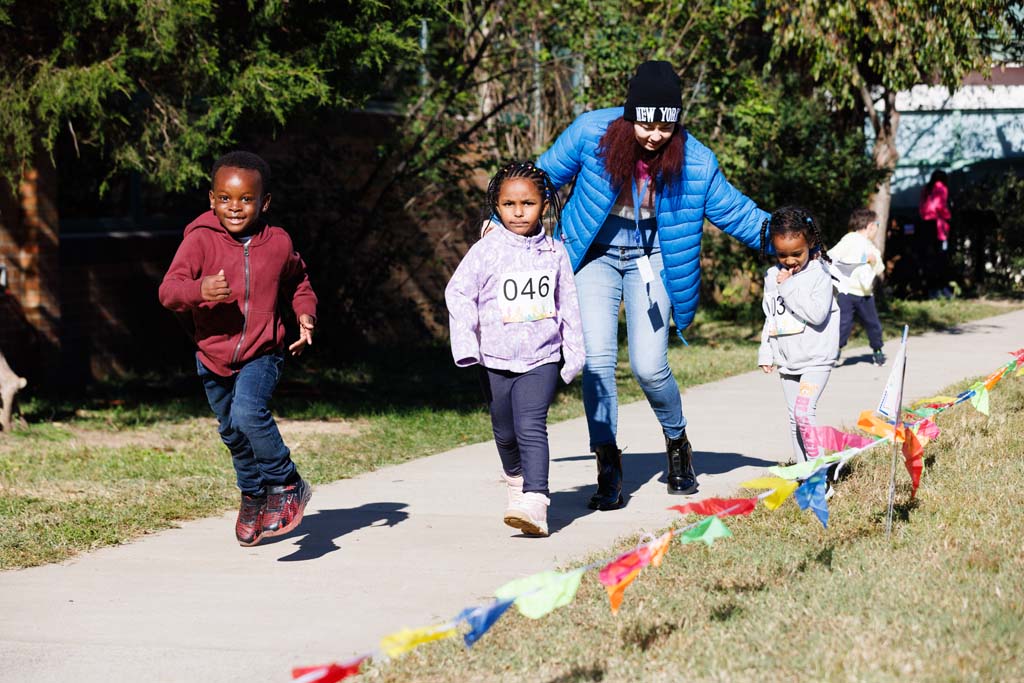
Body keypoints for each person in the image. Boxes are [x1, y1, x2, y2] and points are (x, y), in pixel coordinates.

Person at [536, 60, 768, 509]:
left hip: (652, 259)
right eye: (645, 122)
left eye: (665, 125)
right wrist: (495, 217)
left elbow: (738, 214)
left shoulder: (696, 161)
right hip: (595, 256)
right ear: (629, 113)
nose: (653, 135)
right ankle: (607, 464)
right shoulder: (590, 133)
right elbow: (541, 177)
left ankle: (677, 442)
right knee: (598, 362)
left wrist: (789, 236)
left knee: (648, 365)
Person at [158, 151, 318, 547]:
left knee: (249, 412)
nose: (235, 207)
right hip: (212, 356)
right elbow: (168, 291)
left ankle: (286, 483)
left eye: (246, 199)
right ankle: (253, 496)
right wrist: (199, 290)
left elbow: (299, 281)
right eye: (226, 199)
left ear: (264, 203)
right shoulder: (198, 241)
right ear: (211, 200)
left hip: (264, 351)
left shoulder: (278, 243)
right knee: (232, 432)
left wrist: (305, 314)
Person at [445, 161, 585, 537]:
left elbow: (568, 302)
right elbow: (458, 292)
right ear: (497, 205)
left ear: (544, 205)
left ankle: (537, 502)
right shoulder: (485, 251)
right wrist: (466, 342)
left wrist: (574, 354)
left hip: (542, 357)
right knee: (504, 431)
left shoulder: (554, 253)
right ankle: (516, 484)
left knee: (530, 425)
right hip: (494, 358)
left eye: (528, 204)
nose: (519, 212)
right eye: (509, 204)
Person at [758, 206, 839, 464]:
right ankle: (803, 473)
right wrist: (766, 351)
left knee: (804, 412)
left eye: (797, 253)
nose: (790, 260)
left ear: (810, 243)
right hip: (788, 360)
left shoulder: (820, 274)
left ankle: (818, 474)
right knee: (795, 417)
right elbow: (771, 316)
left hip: (816, 358)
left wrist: (789, 285)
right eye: (782, 254)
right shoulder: (772, 277)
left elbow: (816, 314)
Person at [830, 208, 885, 366]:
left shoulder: (872, 246)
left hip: (866, 293)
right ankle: (836, 350)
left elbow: (880, 267)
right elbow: (834, 255)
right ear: (870, 226)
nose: (877, 229)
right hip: (848, 291)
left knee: (872, 323)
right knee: (843, 323)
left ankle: (877, 349)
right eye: (877, 225)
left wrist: (874, 260)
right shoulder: (850, 239)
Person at [919, 169, 953, 299]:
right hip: (937, 225)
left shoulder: (926, 189)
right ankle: (941, 289)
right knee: (941, 258)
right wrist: (949, 217)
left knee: (929, 258)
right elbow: (940, 206)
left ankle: (931, 290)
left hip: (925, 224)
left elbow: (922, 207)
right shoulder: (941, 188)